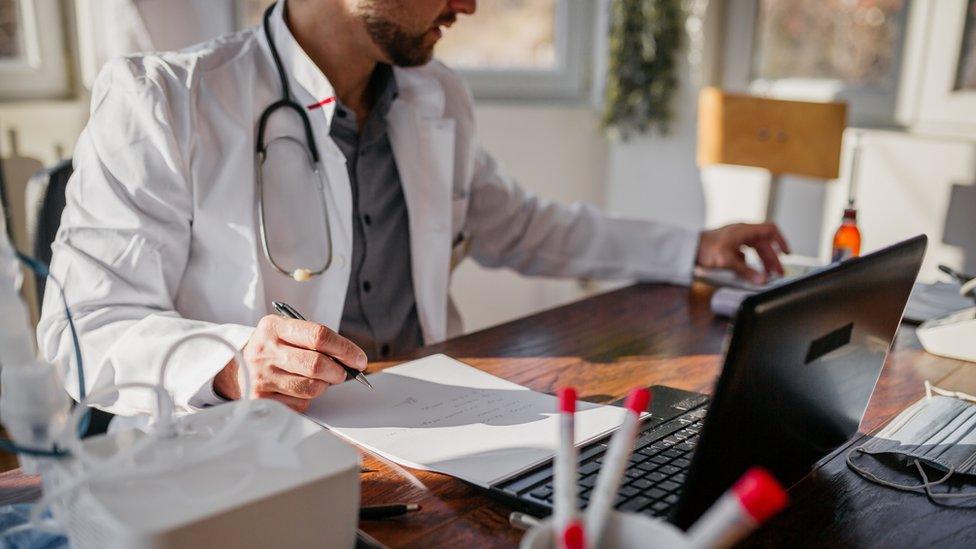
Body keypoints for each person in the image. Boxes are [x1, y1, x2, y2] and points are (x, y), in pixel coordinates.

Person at [37, 0, 790, 417]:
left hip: (430, 426)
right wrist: (233, 364)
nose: (468, 3)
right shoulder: (167, 99)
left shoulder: (437, 97)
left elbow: (523, 227)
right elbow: (83, 330)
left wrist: (692, 244)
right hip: (247, 454)